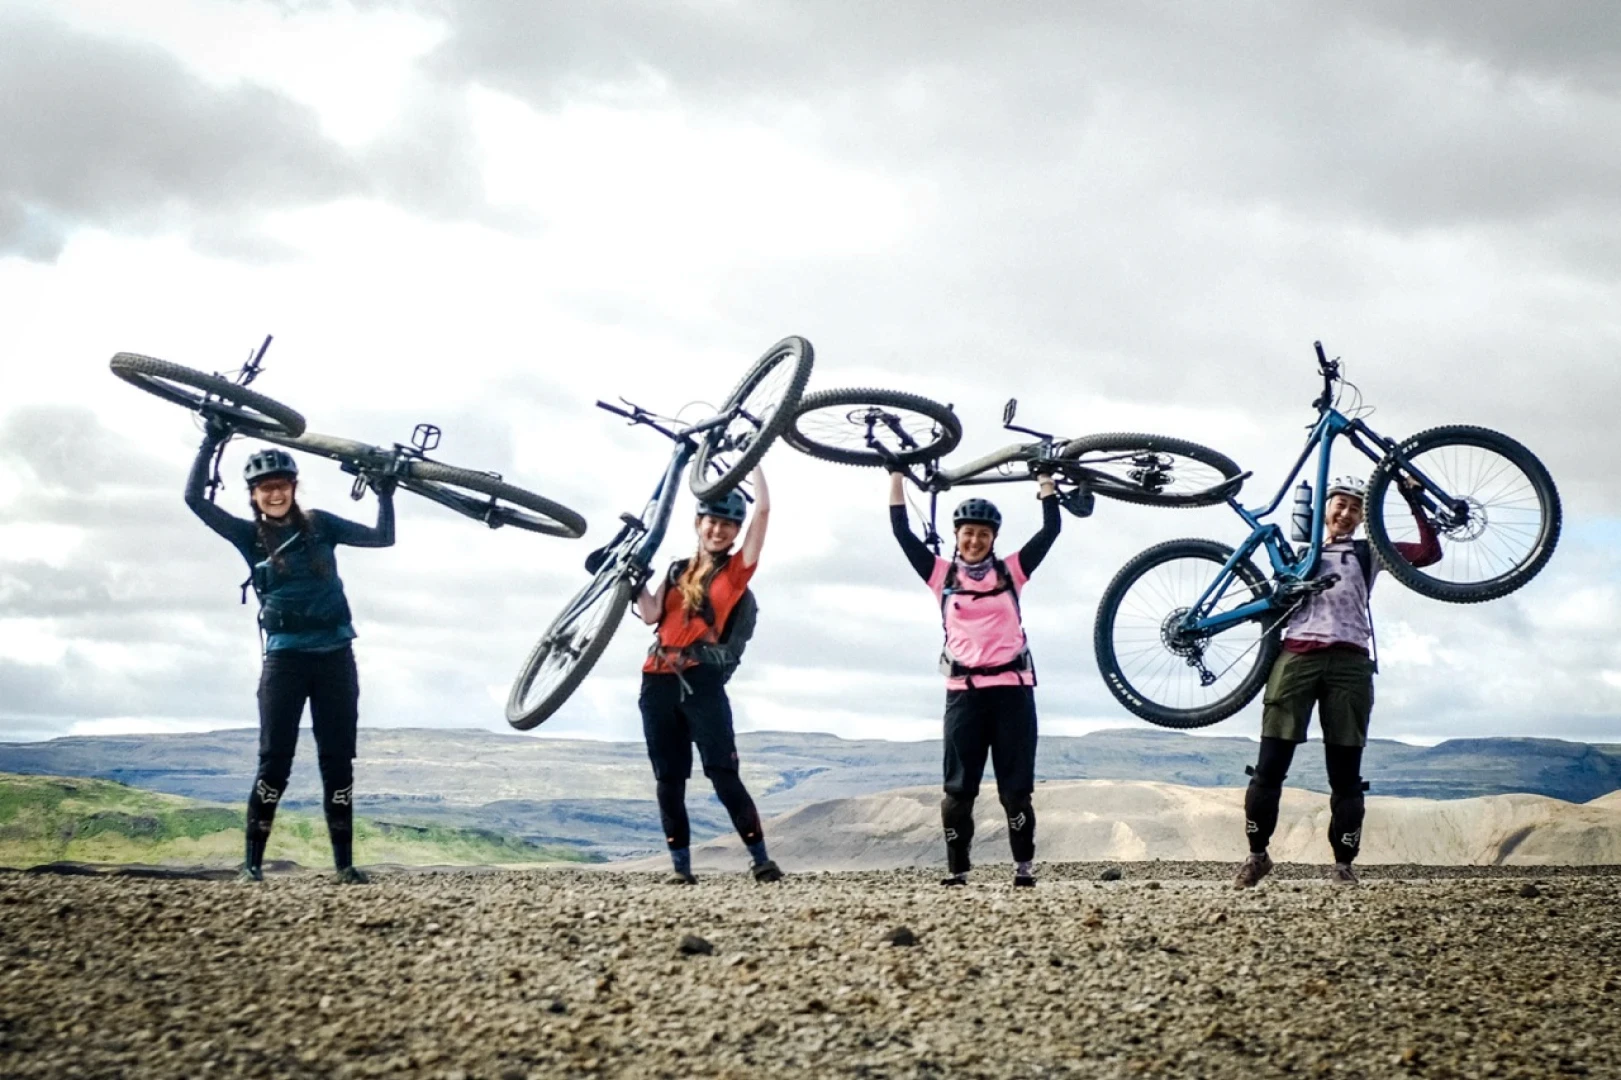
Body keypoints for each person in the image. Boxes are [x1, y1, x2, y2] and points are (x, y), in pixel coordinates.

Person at [185, 423, 396, 884]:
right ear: (254, 496)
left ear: (293, 488)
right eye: (265, 489)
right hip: (285, 662)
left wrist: (386, 491)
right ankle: (251, 865)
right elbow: (195, 501)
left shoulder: (322, 525)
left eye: (281, 486)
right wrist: (210, 441)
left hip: (336, 657)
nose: (275, 494)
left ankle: (344, 866)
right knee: (274, 761)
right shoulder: (248, 536)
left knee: (337, 760)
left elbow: (383, 538)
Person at [1235, 475, 1441, 888]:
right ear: (1324, 509)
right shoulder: (1296, 552)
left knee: (1345, 774)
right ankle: (1257, 856)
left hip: (1350, 663)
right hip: (1295, 657)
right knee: (1269, 767)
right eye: (1339, 505)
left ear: (1363, 518)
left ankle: (1343, 866)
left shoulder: (1371, 551)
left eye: (1354, 508)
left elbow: (1428, 553)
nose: (1345, 514)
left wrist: (1412, 497)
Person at [889, 468, 1061, 887]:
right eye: (968, 533)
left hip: (1012, 694)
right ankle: (958, 871)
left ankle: (1024, 869)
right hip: (963, 695)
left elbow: (1051, 529)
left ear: (993, 538)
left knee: (1016, 791)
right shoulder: (941, 575)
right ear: (957, 534)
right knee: (958, 792)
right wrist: (896, 474)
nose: (974, 540)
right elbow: (900, 530)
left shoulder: (1012, 572)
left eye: (983, 534)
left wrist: (1046, 482)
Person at [634, 467, 781, 885]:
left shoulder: (736, 573)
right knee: (669, 779)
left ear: (735, 533)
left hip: (702, 682)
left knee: (722, 772)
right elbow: (650, 614)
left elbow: (765, 512)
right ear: (698, 524)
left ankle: (761, 861)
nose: (718, 530)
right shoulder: (677, 569)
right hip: (657, 680)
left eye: (727, 525)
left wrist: (755, 463)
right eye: (711, 521)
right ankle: (681, 871)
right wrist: (634, 581)